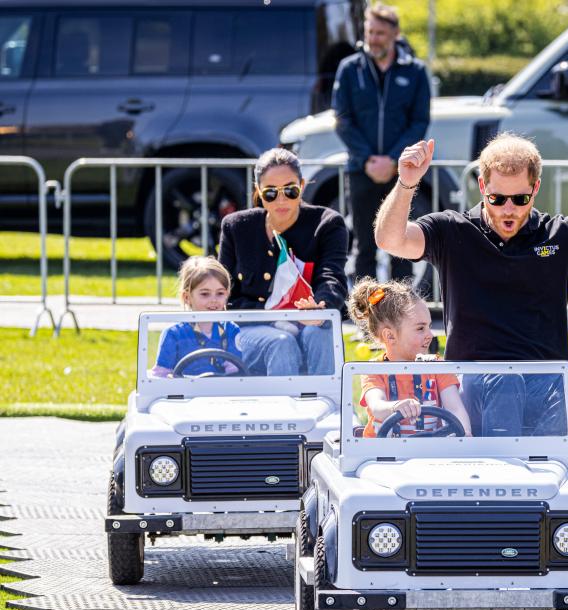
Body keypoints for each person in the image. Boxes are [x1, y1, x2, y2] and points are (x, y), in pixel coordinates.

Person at [373, 132, 568, 434]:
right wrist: (406, 184)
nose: (508, 209)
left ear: (535, 188)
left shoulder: (561, 235)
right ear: (482, 186)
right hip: (474, 383)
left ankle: (546, 465)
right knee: (506, 381)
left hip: (543, 379)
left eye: (520, 199)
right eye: (497, 199)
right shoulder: (452, 231)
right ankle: (507, 467)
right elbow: (389, 239)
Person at [218, 148, 348, 376]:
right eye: (270, 193)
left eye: (290, 190)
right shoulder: (236, 226)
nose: (281, 199)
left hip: (309, 319)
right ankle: (284, 409)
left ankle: (329, 405)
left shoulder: (327, 223)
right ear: (258, 191)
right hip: (251, 326)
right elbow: (224, 292)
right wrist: (272, 316)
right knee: (281, 342)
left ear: (303, 186)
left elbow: (331, 276)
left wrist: (320, 308)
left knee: (321, 334)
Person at [332, 3, 431, 283]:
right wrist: (367, 159)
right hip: (361, 170)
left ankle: (401, 314)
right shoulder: (350, 69)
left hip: (401, 172)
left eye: (380, 33)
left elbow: (419, 121)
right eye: (370, 32)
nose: (374, 38)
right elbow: (341, 118)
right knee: (365, 246)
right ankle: (367, 316)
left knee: (400, 245)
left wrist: (392, 160)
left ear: (395, 34)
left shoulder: (415, 71)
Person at [348, 278, 472, 437]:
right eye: (420, 328)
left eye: (429, 326)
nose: (430, 335)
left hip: (430, 452)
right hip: (382, 455)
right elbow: (377, 406)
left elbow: (455, 408)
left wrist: (465, 433)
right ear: (390, 336)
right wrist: (395, 407)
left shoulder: (437, 366)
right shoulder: (374, 370)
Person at [150, 256, 241, 378]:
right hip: (185, 395)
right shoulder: (173, 334)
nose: (214, 300)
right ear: (187, 297)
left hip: (220, 394)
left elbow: (235, 375)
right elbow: (161, 377)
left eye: (220, 293)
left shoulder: (231, 330)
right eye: (205, 294)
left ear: (227, 295)